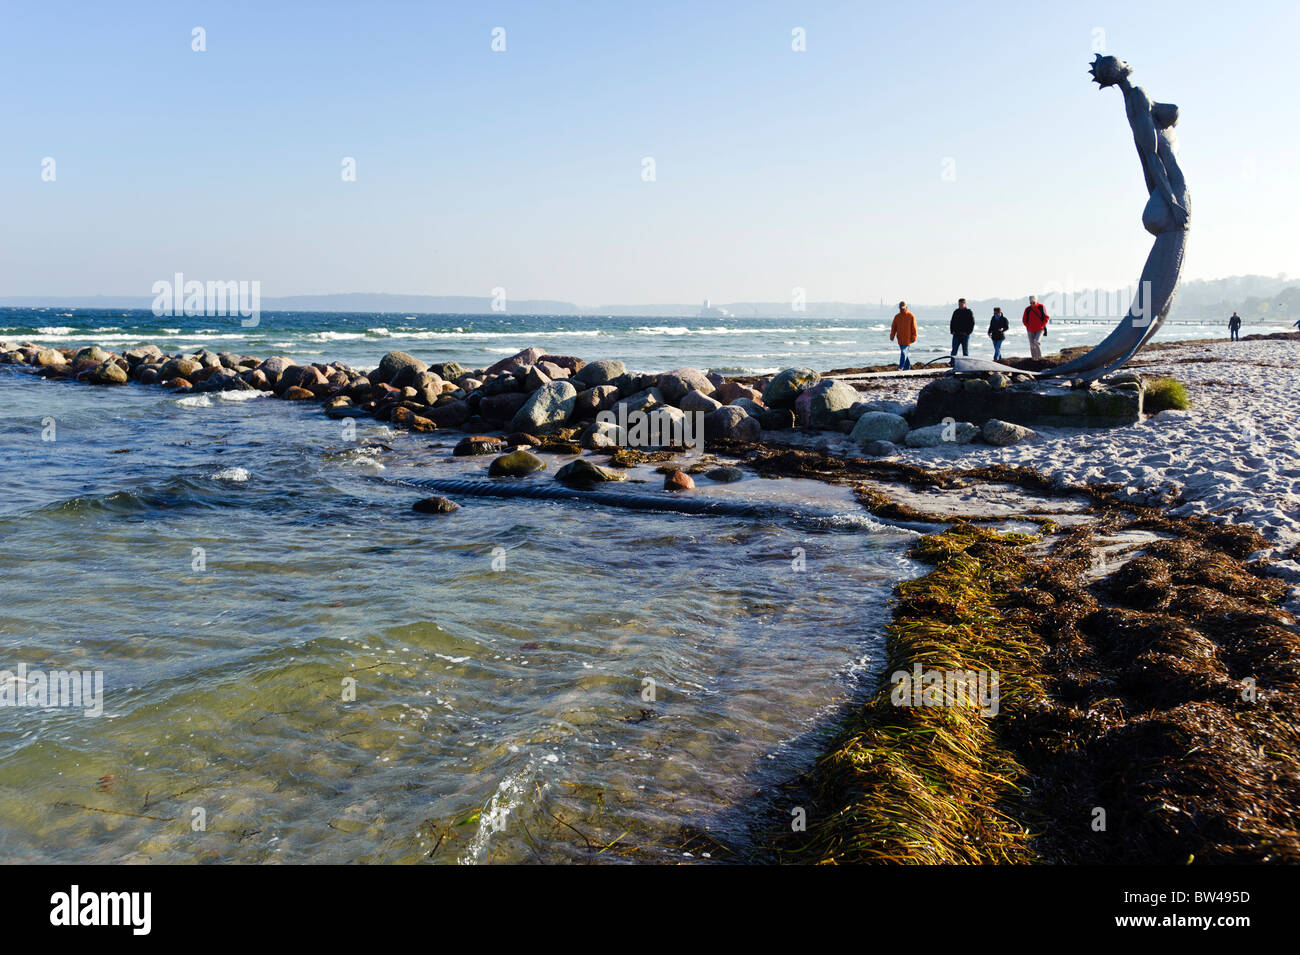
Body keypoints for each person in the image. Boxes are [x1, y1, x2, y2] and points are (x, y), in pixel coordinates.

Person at [890, 301, 917, 370]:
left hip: (908, 339)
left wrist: (914, 336)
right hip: (900, 339)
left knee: (904, 352)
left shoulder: (911, 316)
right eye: (901, 308)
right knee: (905, 353)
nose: (902, 309)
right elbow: (894, 327)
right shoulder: (897, 317)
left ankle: (900, 366)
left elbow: (914, 328)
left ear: (906, 307)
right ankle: (907, 367)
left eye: (903, 308)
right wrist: (892, 335)